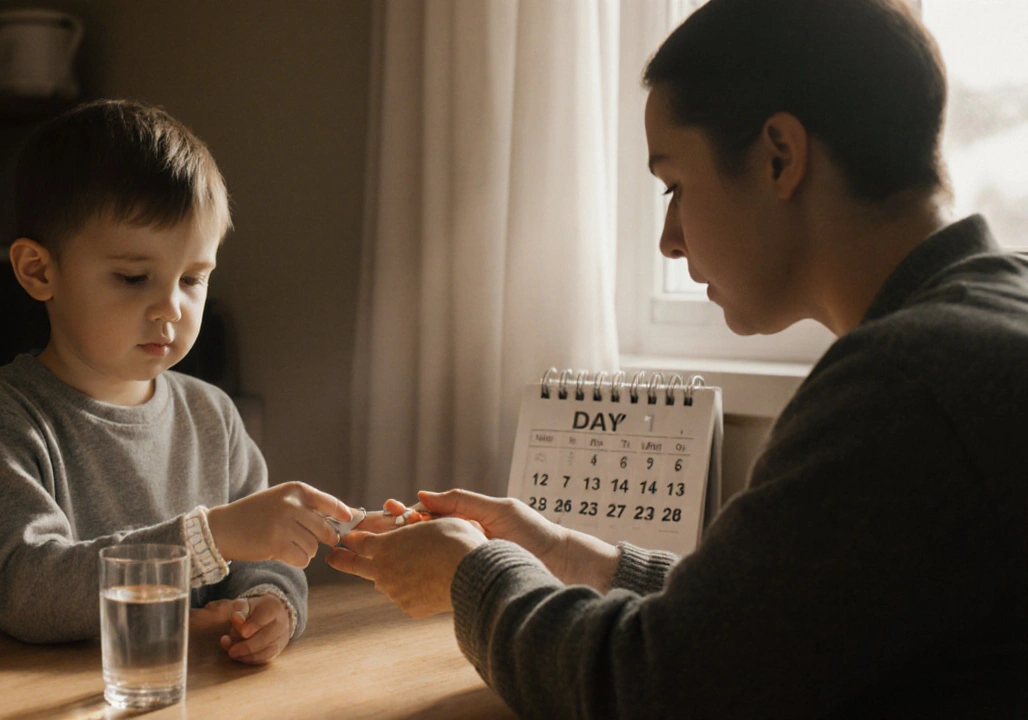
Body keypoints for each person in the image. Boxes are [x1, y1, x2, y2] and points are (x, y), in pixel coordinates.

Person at [328, 0, 1028, 715]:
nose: (669, 238)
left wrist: (468, 572)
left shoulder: (907, 381)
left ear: (779, 156)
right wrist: (577, 557)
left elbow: (648, 690)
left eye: (675, 185)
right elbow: (772, 622)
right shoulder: (981, 328)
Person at [0, 99, 356, 665]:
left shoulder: (213, 415)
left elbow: (265, 558)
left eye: (192, 278)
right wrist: (208, 539)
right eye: (134, 277)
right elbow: (25, 591)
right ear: (39, 271)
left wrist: (270, 604)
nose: (170, 308)